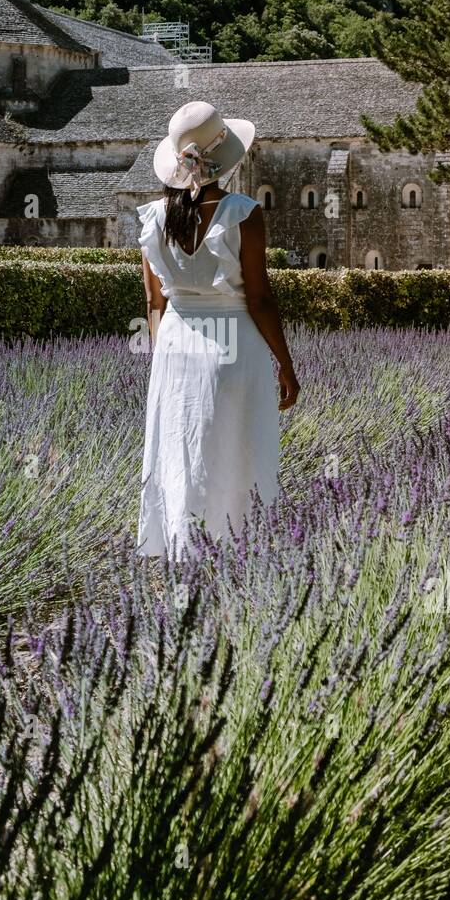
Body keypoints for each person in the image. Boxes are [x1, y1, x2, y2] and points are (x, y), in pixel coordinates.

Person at [136, 99, 300, 559]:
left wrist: (162, 354)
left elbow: (154, 301)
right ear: (225, 158)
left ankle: (182, 545)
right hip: (232, 344)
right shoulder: (242, 213)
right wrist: (285, 364)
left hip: (175, 343)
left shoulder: (153, 219)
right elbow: (260, 298)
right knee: (236, 448)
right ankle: (237, 547)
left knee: (182, 450)